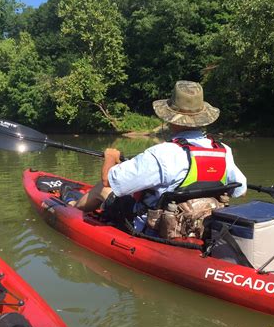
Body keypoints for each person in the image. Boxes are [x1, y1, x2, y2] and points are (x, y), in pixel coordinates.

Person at [64, 80, 247, 231]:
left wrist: (111, 157)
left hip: (151, 226)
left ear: (169, 118)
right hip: (202, 225)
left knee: (101, 189)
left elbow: (108, 181)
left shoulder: (162, 153)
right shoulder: (222, 150)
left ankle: (70, 209)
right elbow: (240, 190)